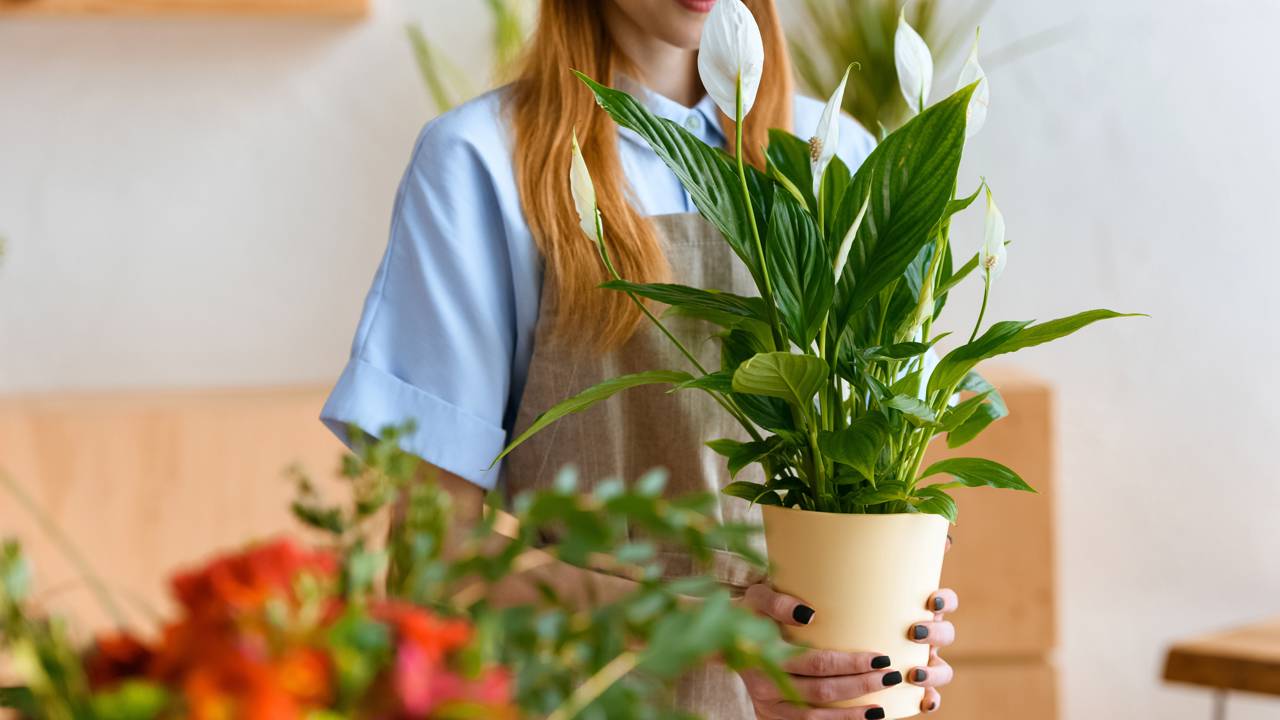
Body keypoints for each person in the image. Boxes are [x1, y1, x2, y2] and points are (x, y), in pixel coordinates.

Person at [322, 1, 956, 717]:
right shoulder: (483, 161)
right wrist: (715, 628)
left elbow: (880, 467)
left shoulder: (835, 150)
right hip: (587, 694)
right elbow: (432, 567)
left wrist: (891, 621)